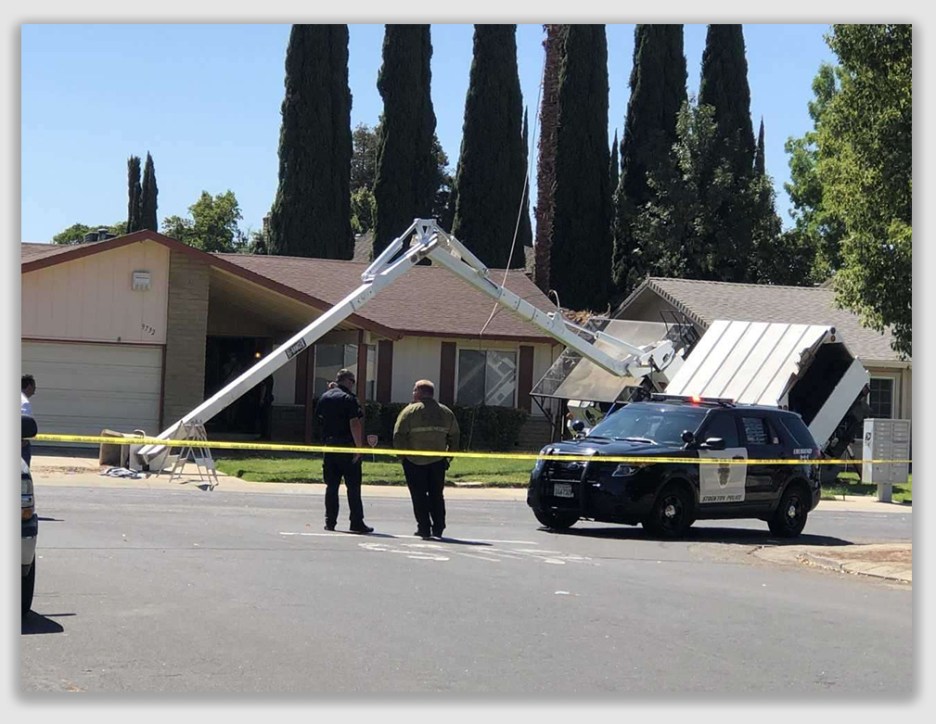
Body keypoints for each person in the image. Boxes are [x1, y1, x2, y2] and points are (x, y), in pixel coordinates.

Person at [393, 379, 460, 540]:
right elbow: (455, 436)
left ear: (420, 393)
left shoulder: (409, 411)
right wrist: (449, 456)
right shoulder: (446, 412)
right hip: (438, 461)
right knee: (437, 494)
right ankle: (438, 527)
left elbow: (398, 435)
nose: (413, 393)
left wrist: (402, 456)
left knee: (419, 495)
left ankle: (423, 527)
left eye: (414, 390)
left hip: (414, 461)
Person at [315, 369, 372, 534]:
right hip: (347, 447)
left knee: (331, 487)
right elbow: (354, 423)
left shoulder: (325, 397)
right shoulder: (349, 399)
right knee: (353, 487)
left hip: (330, 446)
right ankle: (356, 522)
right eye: (352, 381)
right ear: (347, 381)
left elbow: (319, 420)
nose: (353, 385)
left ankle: (330, 521)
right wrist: (358, 448)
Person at [21, 374, 36, 466]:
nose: (34, 391)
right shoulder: (24, 402)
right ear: (29, 387)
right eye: (34, 388)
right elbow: (25, 426)